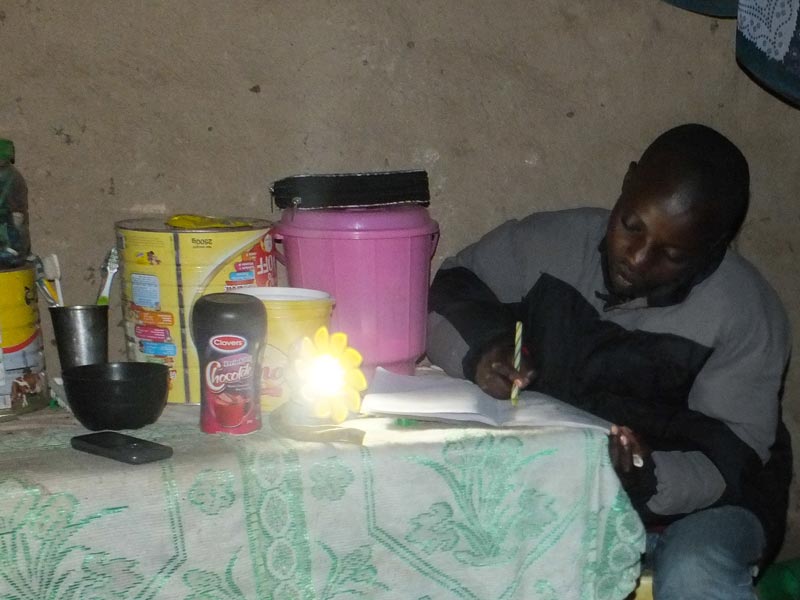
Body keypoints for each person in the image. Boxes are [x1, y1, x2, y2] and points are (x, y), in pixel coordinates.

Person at [425, 123, 792, 600]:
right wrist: (481, 350)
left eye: (671, 253)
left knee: (694, 569)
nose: (637, 258)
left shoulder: (744, 311)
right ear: (627, 182)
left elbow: (732, 455)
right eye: (631, 226)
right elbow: (452, 287)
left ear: (716, 244)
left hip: (708, 504)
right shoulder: (551, 243)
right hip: (574, 484)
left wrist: (646, 476)